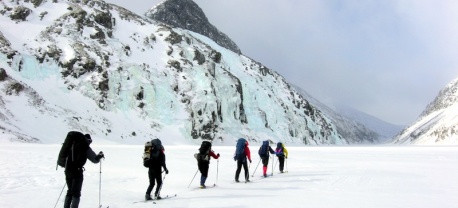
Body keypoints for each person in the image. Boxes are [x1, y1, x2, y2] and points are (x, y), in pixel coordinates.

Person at [63, 134, 104, 208]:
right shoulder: (85, 146)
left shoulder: (72, 144)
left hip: (67, 170)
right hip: (77, 171)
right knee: (76, 193)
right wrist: (100, 156)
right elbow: (94, 159)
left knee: (70, 191)